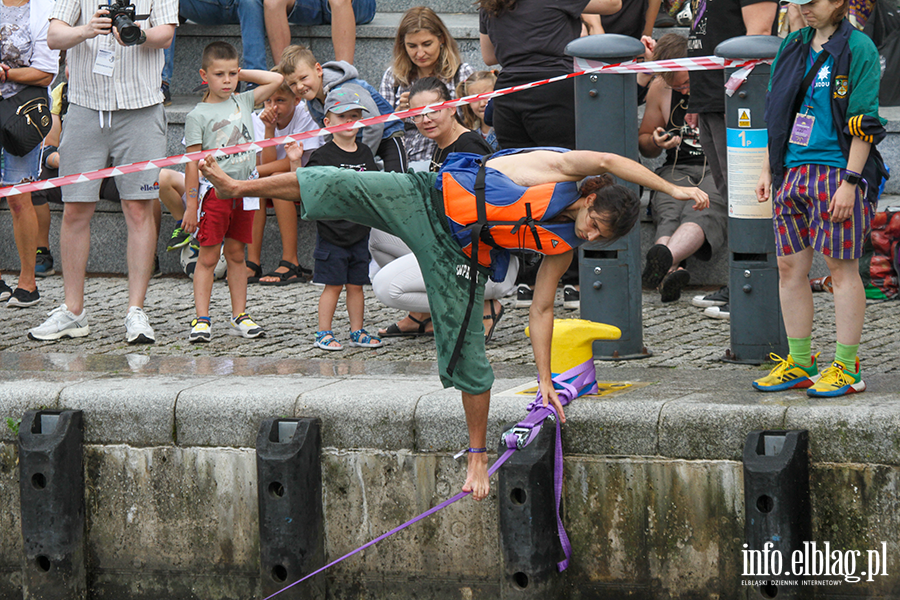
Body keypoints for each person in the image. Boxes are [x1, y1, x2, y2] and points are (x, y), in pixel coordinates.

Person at [199, 145, 709, 501]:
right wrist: (673, 188)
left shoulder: (562, 245)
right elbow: (609, 160)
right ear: (592, 200)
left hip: (460, 257)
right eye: (593, 223)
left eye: (596, 238)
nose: (588, 234)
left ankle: (477, 457)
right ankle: (236, 184)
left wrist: (546, 380)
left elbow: (543, 310)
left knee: (469, 353)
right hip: (429, 197)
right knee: (341, 181)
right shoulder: (557, 170)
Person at [752, 0, 887, 397]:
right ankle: (800, 361)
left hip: (836, 170)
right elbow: (777, 113)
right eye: (801, 3)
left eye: (813, 3)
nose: (805, 10)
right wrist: (767, 170)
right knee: (788, 267)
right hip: (792, 170)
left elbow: (865, 119)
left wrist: (851, 180)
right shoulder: (793, 45)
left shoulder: (858, 47)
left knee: (842, 269)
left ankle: (847, 366)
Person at [28, 0, 178, 343]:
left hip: (142, 106)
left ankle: (135, 311)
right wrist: (87, 29)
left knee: (138, 208)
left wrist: (139, 35)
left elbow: (166, 33)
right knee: (75, 208)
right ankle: (73, 310)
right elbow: (54, 36)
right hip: (84, 105)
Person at [371, 77, 510, 342]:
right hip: (447, 240)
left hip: (480, 258)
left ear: (452, 108)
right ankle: (420, 316)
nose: (425, 119)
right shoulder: (442, 143)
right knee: (379, 236)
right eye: (417, 114)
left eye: (433, 110)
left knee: (387, 289)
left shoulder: (469, 146)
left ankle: (484, 305)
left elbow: (480, 216)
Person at [181, 41, 283, 343]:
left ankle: (240, 314)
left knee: (238, 254)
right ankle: (201, 318)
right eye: (219, 74)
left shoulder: (244, 101)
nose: (227, 81)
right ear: (204, 75)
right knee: (209, 257)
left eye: (231, 74)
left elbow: (276, 80)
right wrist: (190, 204)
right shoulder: (197, 115)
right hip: (214, 193)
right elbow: (191, 164)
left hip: (245, 190)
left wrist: (242, 72)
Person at [686, 0, 778, 318]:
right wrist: (696, 101)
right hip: (712, 96)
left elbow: (759, 34)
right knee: (731, 196)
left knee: (750, 195)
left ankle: (758, 285)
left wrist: (740, 97)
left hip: (738, 98)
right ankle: (740, 281)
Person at [637, 33, 726, 302]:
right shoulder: (660, 88)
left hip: (715, 166)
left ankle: (664, 264)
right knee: (668, 211)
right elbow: (644, 143)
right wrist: (656, 142)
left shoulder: (718, 83)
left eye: (687, 83)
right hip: (678, 166)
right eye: (678, 87)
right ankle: (669, 272)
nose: (684, 90)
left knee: (703, 209)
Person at [301, 89, 382, 351]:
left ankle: (357, 331)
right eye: (343, 116)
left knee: (356, 286)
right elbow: (307, 189)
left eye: (355, 116)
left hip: (359, 233)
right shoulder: (322, 157)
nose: (350, 122)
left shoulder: (366, 153)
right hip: (331, 235)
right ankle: (323, 332)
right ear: (328, 123)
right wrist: (293, 162)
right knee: (333, 286)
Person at [0, 0, 59, 307]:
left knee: (19, 197)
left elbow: (47, 73)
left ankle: (28, 283)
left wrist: (5, 75)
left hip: (22, 115)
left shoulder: (44, 9)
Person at [280, 44, 407, 173]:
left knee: (398, 180)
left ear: (318, 70)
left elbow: (374, 125)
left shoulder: (348, 87)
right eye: (292, 84)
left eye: (303, 78)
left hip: (388, 134)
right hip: (355, 141)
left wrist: (362, 157)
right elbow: (329, 133)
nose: (300, 86)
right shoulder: (312, 102)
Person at [249, 69, 322, 284]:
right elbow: (264, 161)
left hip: (303, 173)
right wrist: (269, 131)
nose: (272, 107)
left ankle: (291, 261)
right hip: (272, 175)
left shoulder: (305, 115)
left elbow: (293, 162)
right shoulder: (258, 119)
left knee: (277, 179)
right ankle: (252, 262)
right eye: (268, 100)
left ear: (296, 99)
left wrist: (249, 174)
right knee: (262, 184)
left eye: (280, 100)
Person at [379, 6, 475, 164]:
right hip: (404, 160)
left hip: (451, 158)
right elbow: (380, 130)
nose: (420, 53)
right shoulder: (394, 76)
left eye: (427, 44)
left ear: (441, 39)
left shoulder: (462, 74)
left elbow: (477, 123)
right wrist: (399, 114)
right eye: (412, 46)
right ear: (403, 45)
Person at [456, 70, 499, 152]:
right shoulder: (469, 134)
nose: (482, 103)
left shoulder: (505, 129)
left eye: (487, 96)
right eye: (475, 99)